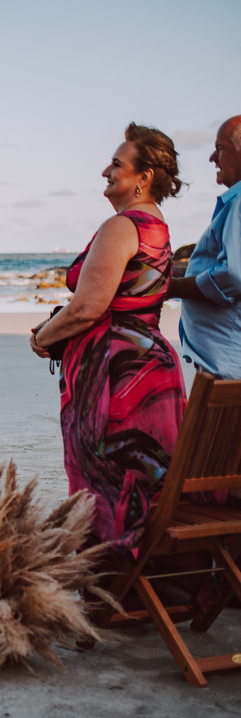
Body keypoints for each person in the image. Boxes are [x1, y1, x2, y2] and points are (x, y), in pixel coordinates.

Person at [30, 123, 186, 552]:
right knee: (146, 480)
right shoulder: (157, 227)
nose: (106, 171)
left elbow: (88, 308)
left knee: (108, 479)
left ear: (144, 176)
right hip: (150, 368)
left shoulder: (121, 226)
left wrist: (43, 336)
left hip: (117, 374)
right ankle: (152, 576)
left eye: (117, 164)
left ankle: (113, 576)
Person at [168, 115, 241, 379]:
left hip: (227, 368)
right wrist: (177, 273)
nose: (212, 157)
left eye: (220, 148)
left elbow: (233, 275)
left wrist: (171, 287)